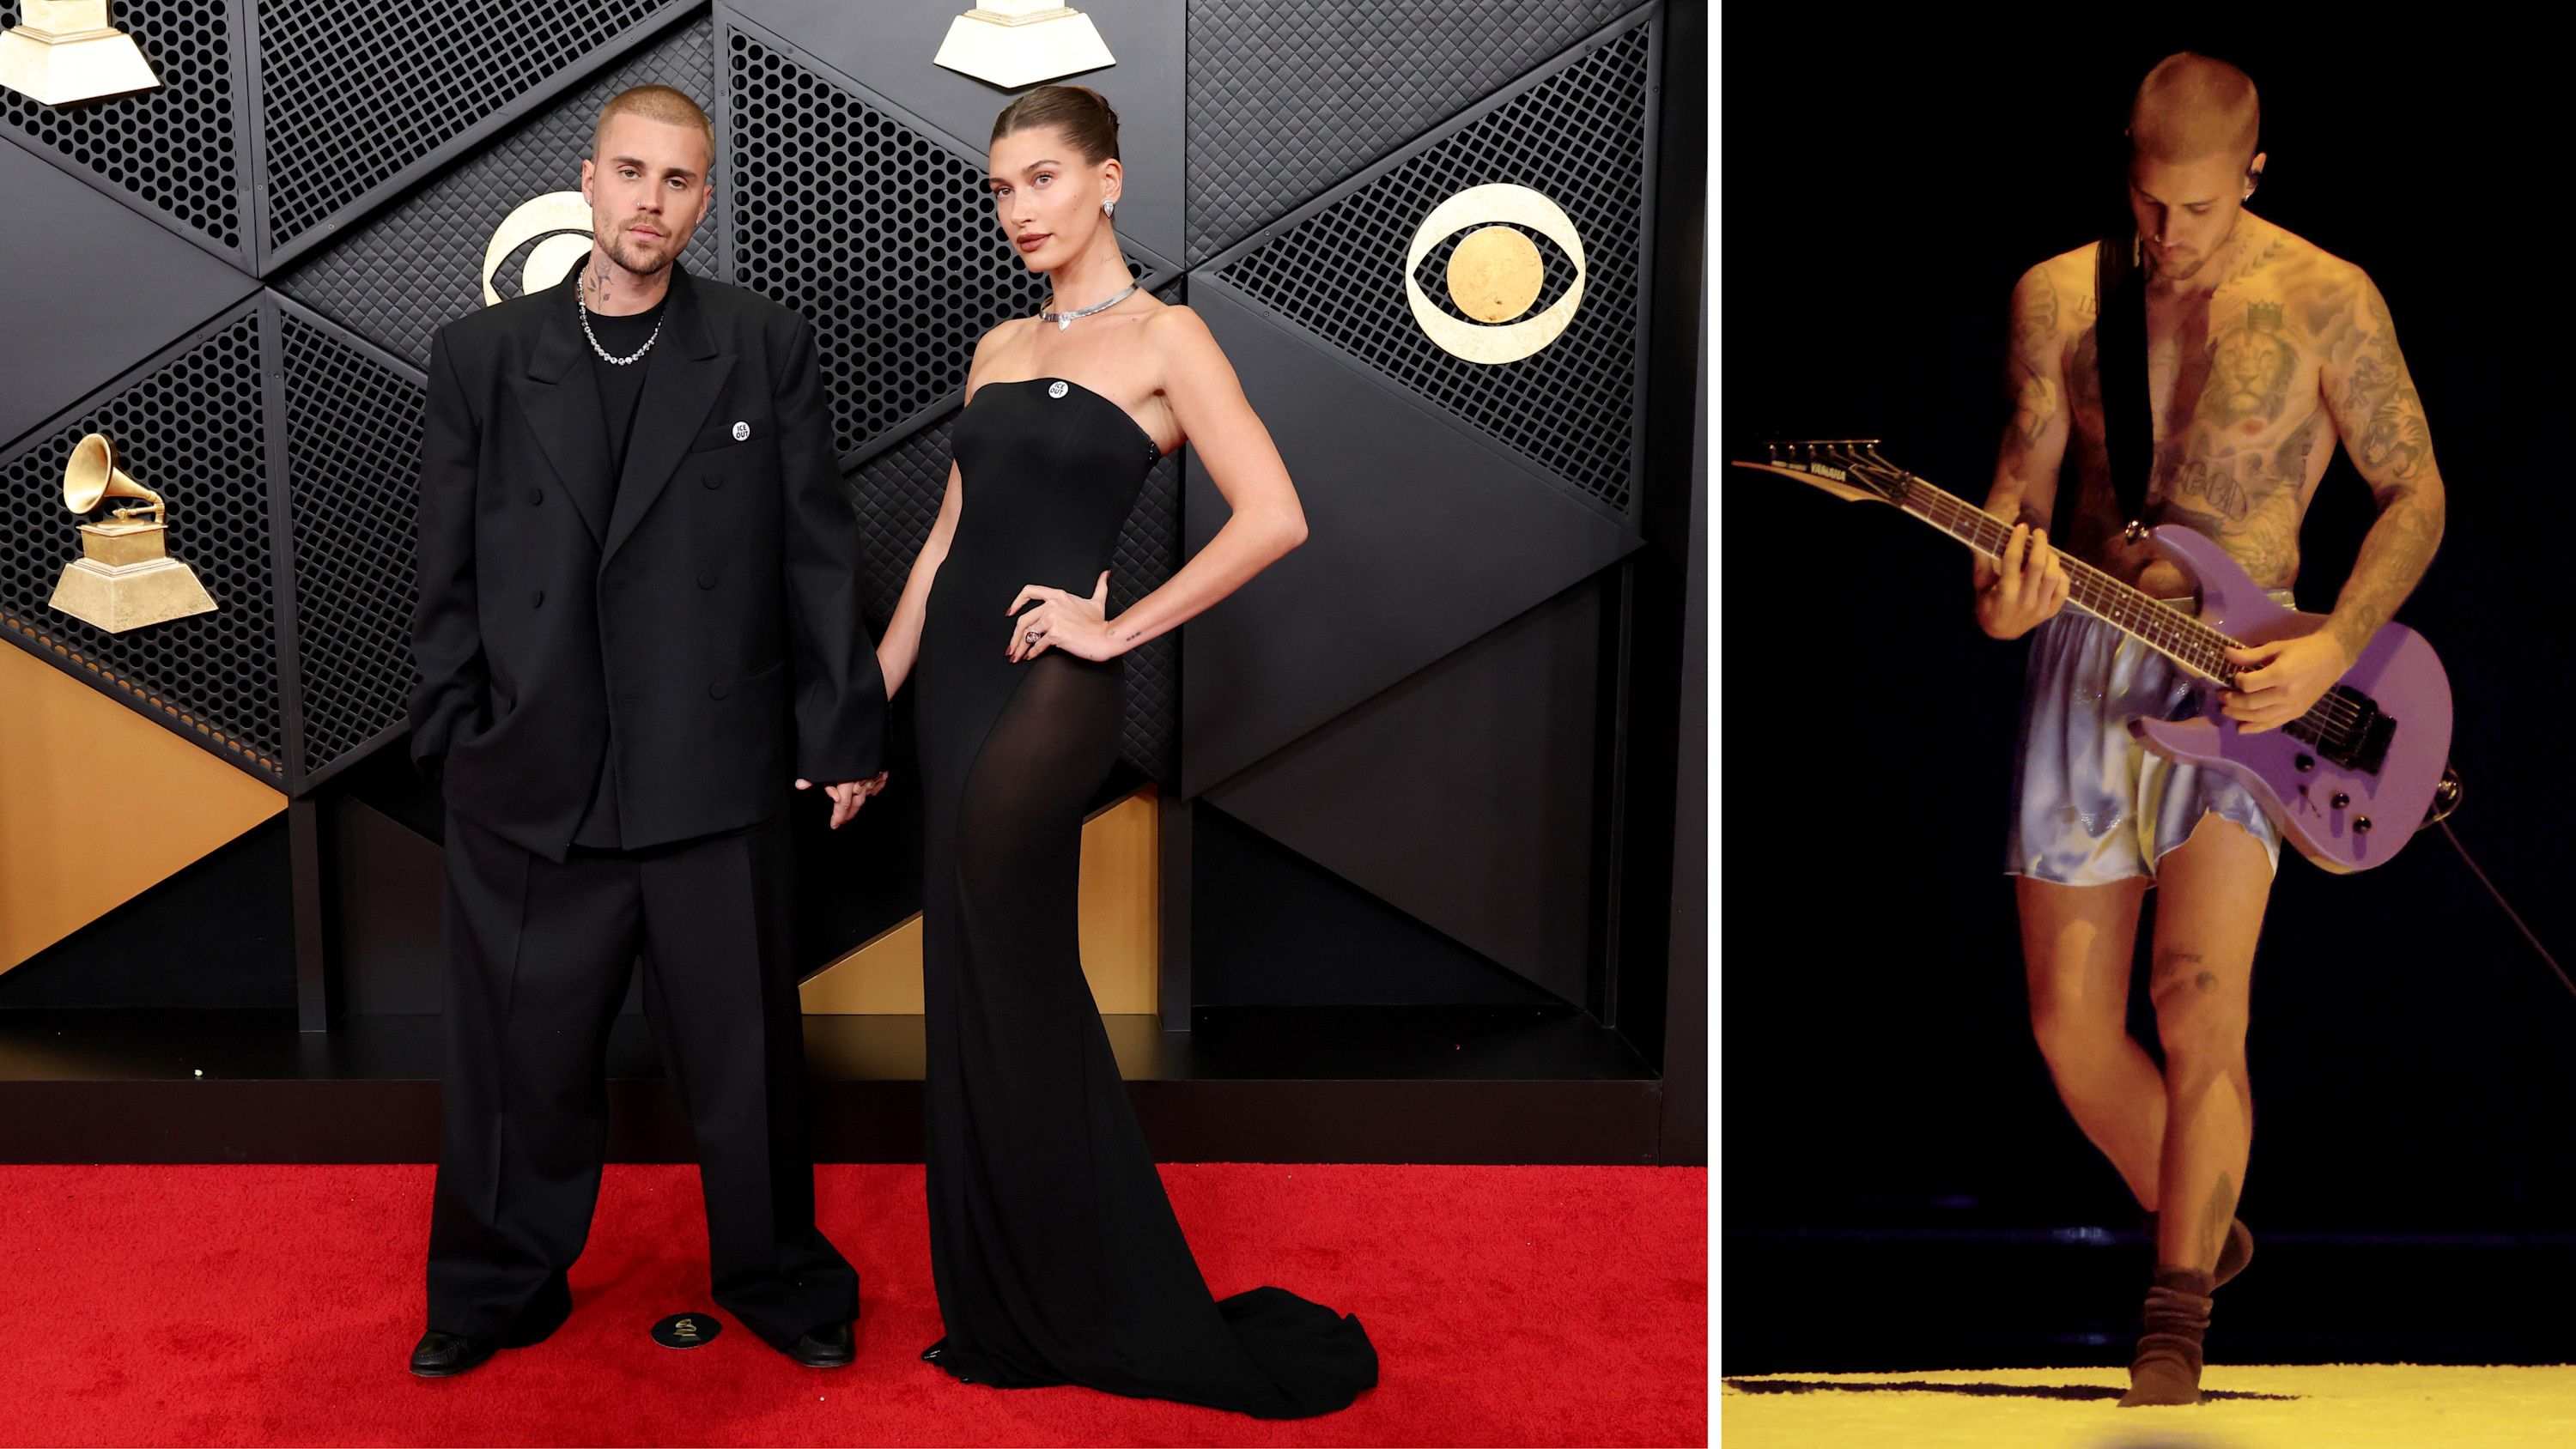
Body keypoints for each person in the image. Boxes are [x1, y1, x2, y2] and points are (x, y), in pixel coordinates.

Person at [868, 84, 1377, 1417]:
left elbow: (1274, 515)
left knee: (1011, 967)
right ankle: (1011, 1297)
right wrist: (862, 706)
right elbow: (938, 549)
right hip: (951, 685)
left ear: (1107, 182)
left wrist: (1119, 632)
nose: (1018, 209)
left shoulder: (1171, 336)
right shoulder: (995, 345)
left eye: (1042, 179)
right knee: (972, 973)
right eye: (1001, 188)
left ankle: (1084, 1294)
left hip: (1048, 690)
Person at [1974, 52, 2445, 1406]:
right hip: (2084, 656)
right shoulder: (2061, 296)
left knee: (2196, 995)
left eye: (2199, 208)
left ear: (2253, 169)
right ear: (2125, 157)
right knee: (2069, 1026)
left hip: (2251, 676)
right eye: (2148, 201)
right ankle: (2206, 1217)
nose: (2170, 236)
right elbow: (2019, 491)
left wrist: (2336, 649)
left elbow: (2412, 489)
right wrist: (2002, 603)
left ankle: (2171, 1314)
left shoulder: (2325, 295)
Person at [404, 84, 889, 1377]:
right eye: (630, 173)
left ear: (705, 197)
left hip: (710, 772)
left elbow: (816, 553)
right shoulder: (481, 357)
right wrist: (460, 734)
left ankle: (781, 1279)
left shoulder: (761, 343)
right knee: (521, 1066)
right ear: (589, 179)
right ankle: (495, 1288)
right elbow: (443, 571)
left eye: (679, 182)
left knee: (746, 1064)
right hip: (530, 776)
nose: (650, 203)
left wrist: (842, 728)